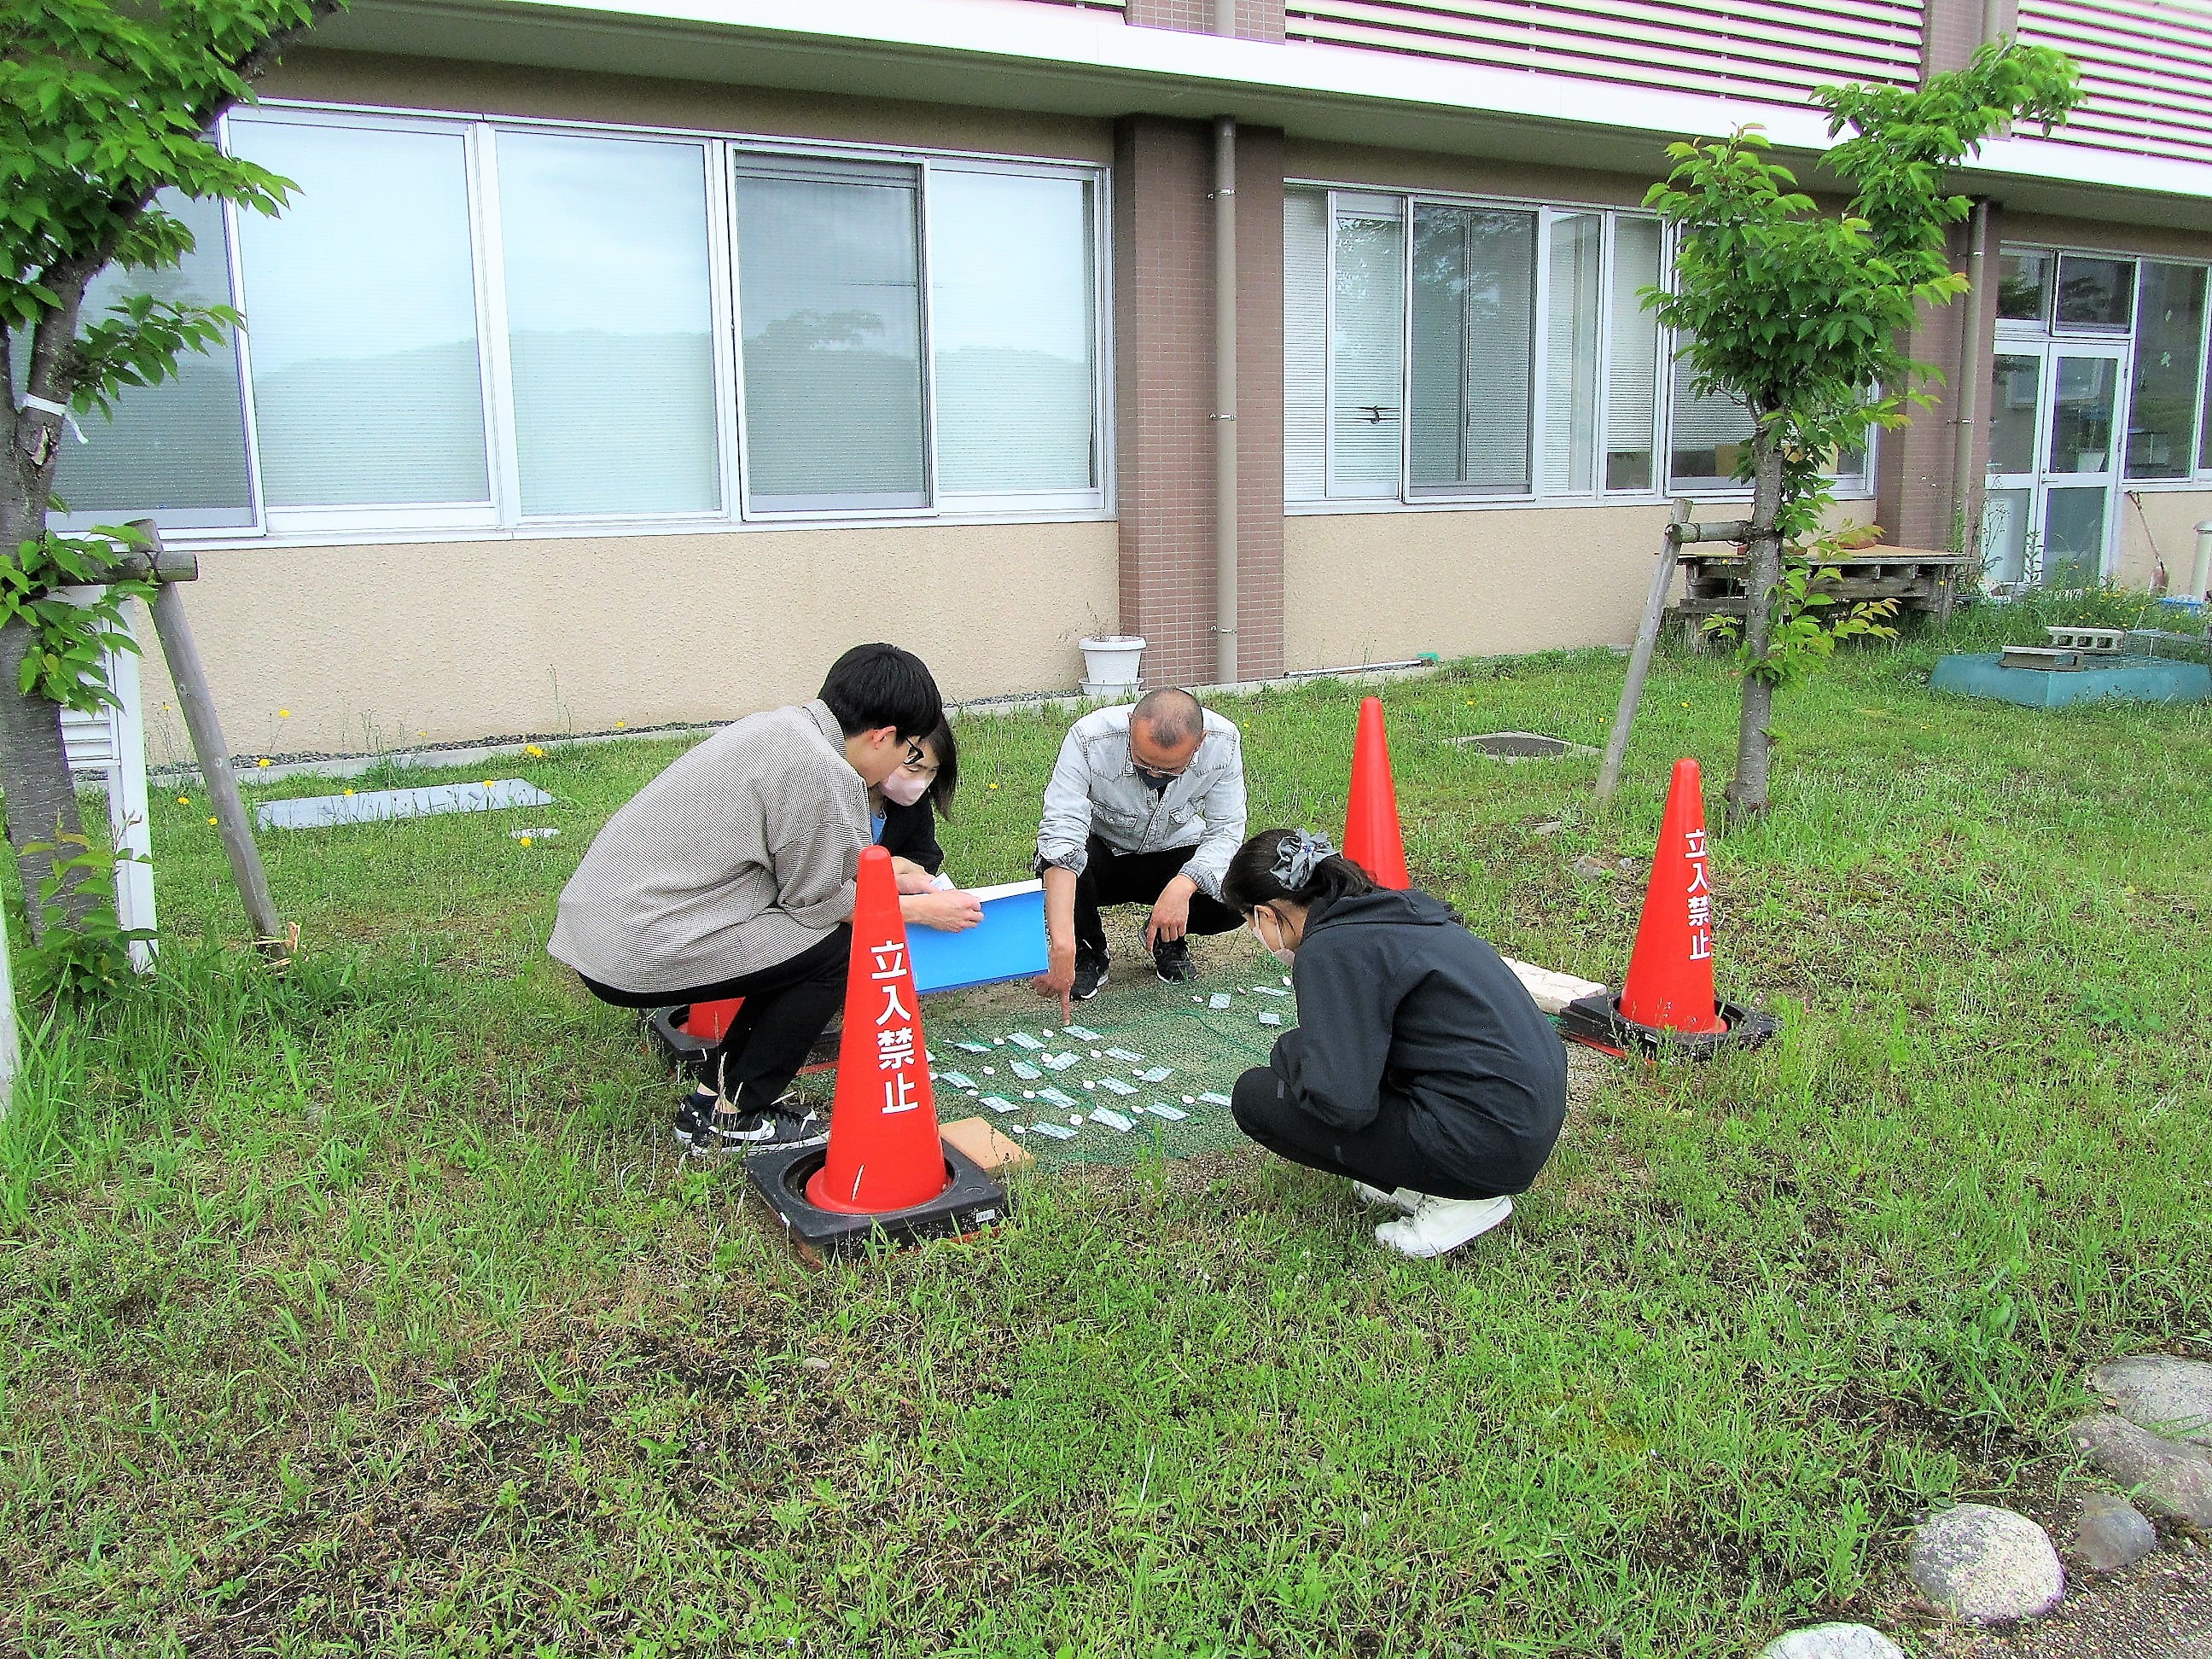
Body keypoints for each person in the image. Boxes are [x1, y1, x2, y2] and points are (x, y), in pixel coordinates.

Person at [550, 643, 946, 1153]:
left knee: (799, 941)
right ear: (882, 736)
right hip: (637, 953)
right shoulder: (828, 776)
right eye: (910, 752)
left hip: (595, 930)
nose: (905, 764)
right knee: (837, 946)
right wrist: (918, 906)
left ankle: (719, 1093)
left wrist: (886, 875)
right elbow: (821, 904)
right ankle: (733, 1115)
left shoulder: (781, 728)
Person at [1220, 828, 1568, 1259]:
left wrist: (1290, 1053)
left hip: (1486, 1140)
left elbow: (1343, 1102)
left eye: (1249, 922)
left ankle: (1459, 1199)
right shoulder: (1394, 910)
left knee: (1257, 1096)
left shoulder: (1329, 948)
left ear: (1267, 915)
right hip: (1524, 1114)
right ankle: (1427, 1179)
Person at [1032, 686, 1248, 1016]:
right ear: (1131, 723)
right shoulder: (1088, 738)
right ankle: (1088, 950)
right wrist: (1063, 944)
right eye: (1143, 763)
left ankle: (1166, 935)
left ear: (1200, 741)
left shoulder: (1224, 742)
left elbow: (1227, 830)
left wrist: (1183, 886)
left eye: (1171, 770)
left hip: (1172, 854)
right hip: (1103, 856)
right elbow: (1062, 836)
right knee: (1059, 864)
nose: (1154, 776)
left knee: (1238, 890)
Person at [871, 717, 985, 936]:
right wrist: (892, 868)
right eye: (914, 769)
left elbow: (925, 856)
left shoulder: (912, 803)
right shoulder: (840, 801)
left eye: (932, 772)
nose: (921, 783)